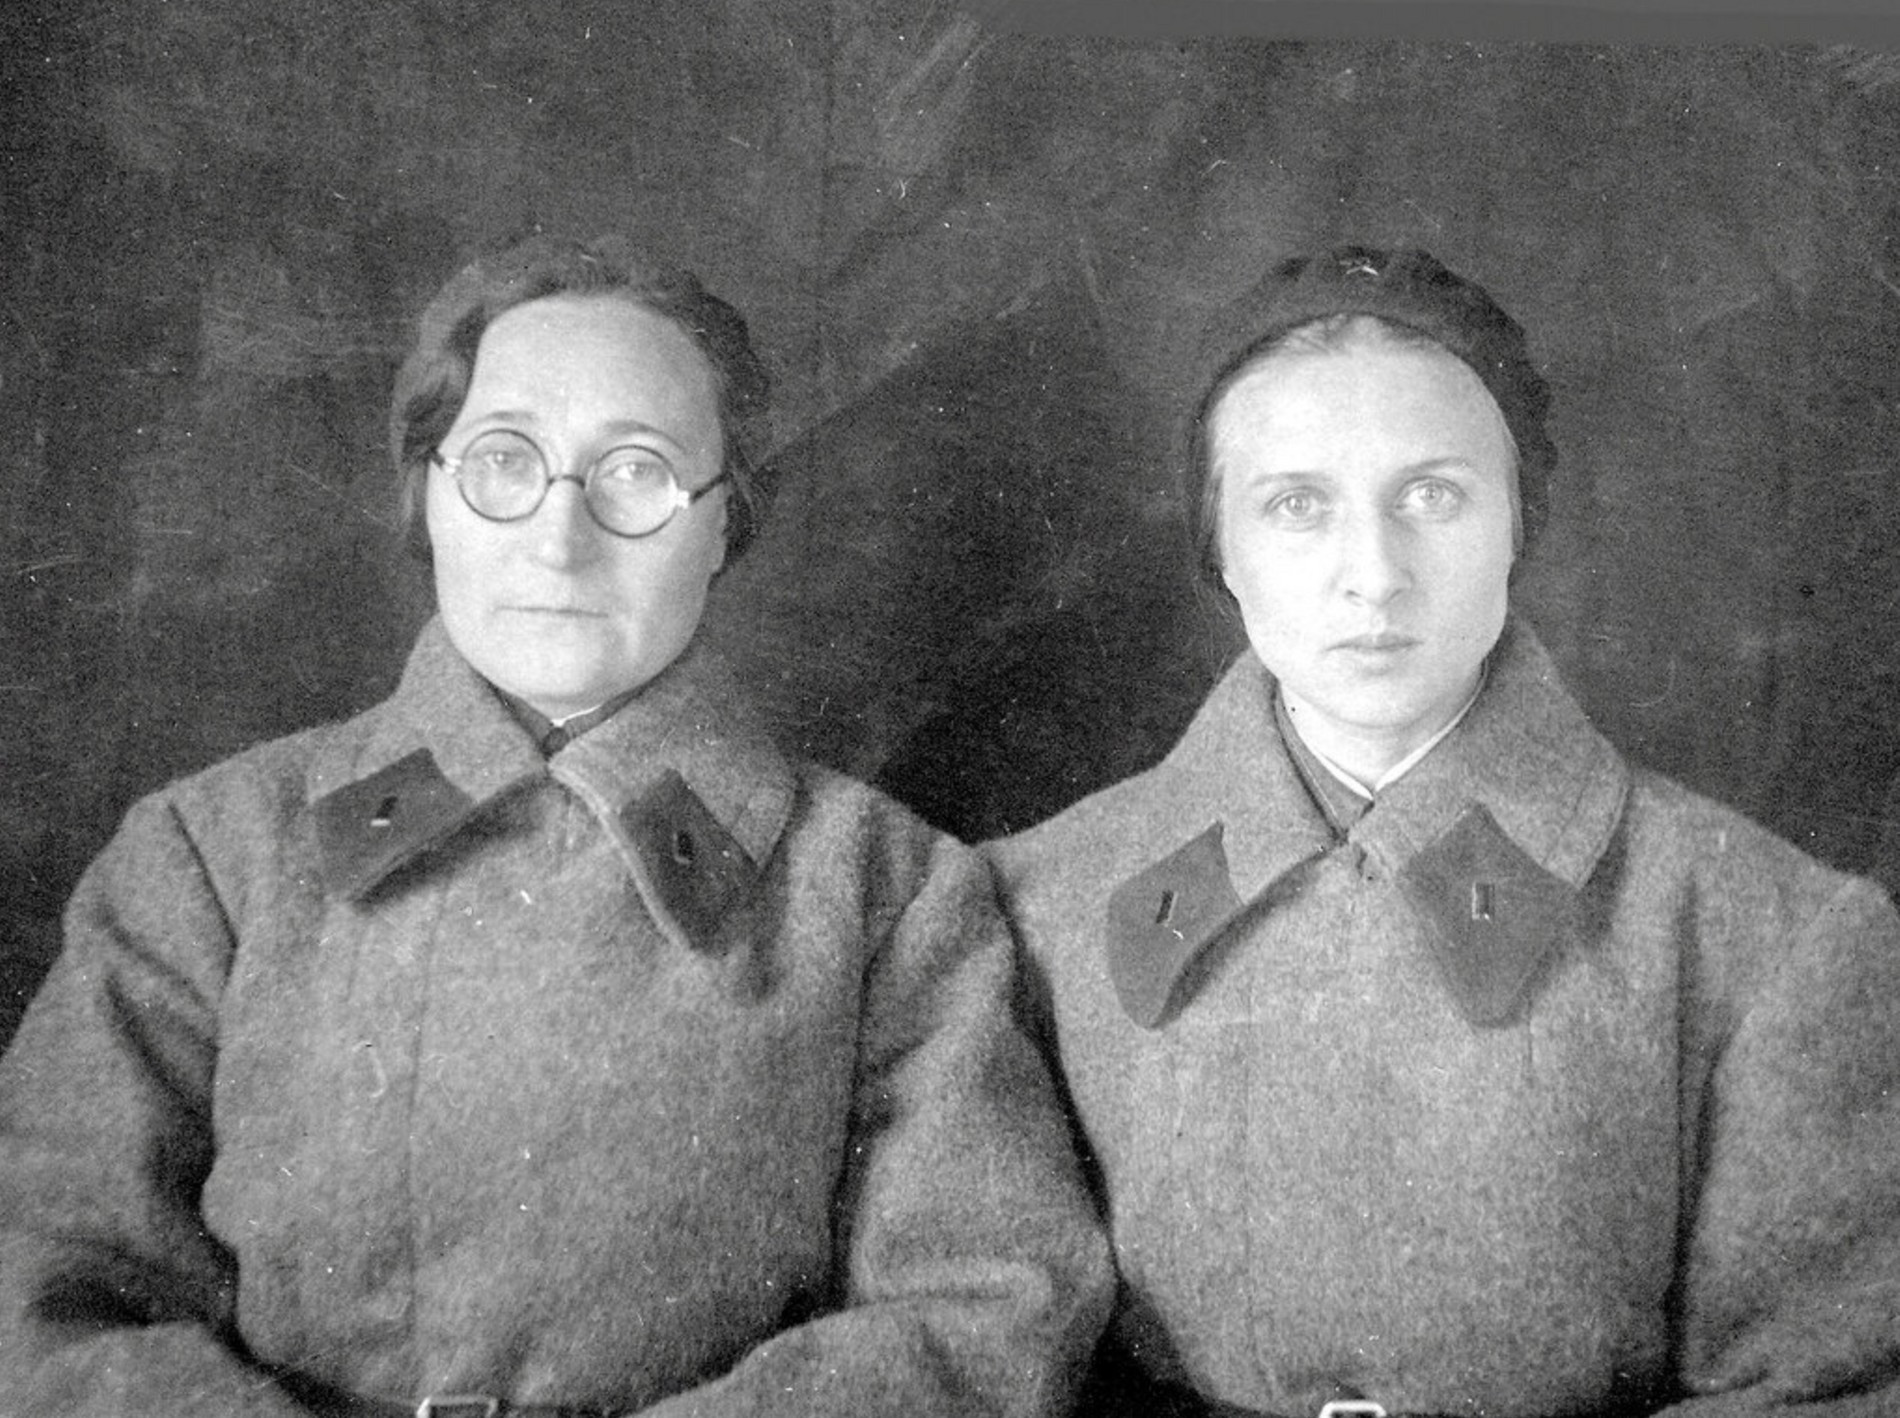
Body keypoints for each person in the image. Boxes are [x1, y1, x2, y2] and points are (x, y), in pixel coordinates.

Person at [0, 234, 1111, 1417]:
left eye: (636, 470)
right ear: (429, 496)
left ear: (722, 524)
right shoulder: (209, 854)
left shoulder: (884, 885)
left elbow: (985, 1301)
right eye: (501, 460)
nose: (558, 538)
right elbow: (42, 1285)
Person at [991, 246, 1900, 1418]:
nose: (1373, 574)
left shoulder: (1767, 936)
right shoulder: (1031, 907)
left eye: (1434, 495)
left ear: (1519, 522)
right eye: (1295, 505)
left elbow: (1827, 1386)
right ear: (1220, 547)